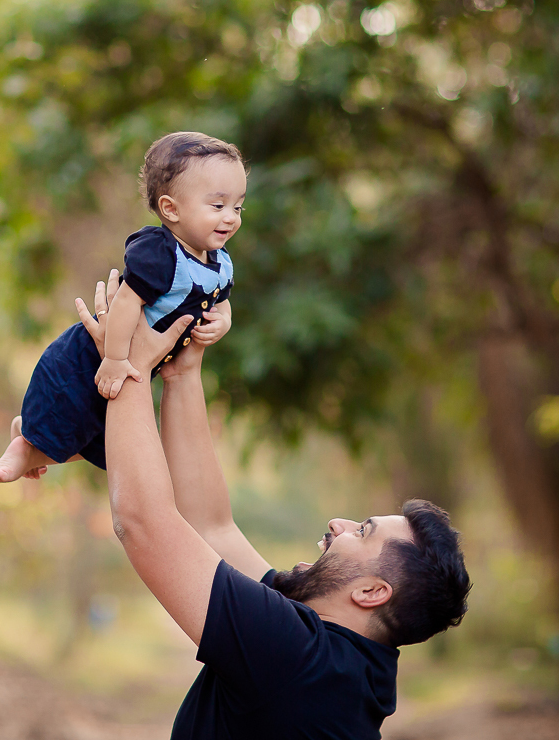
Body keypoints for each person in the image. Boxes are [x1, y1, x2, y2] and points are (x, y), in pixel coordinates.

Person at [67, 271, 472, 739]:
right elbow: (211, 529)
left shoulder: (296, 654)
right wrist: (183, 372)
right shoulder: (352, 662)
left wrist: (127, 368)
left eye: (362, 531)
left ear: (371, 593)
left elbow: (142, 522)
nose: (338, 523)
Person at [0, 132, 245, 483]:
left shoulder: (219, 262)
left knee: (105, 439)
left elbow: (223, 302)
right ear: (171, 209)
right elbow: (125, 301)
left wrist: (223, 323)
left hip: (137, 363)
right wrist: (114, 358)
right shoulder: (160, 251)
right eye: (218, 206)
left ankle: (28, 436)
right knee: (77, 415)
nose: (230, 217)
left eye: (237, 207)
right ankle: (23, 449)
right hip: (94, 355)